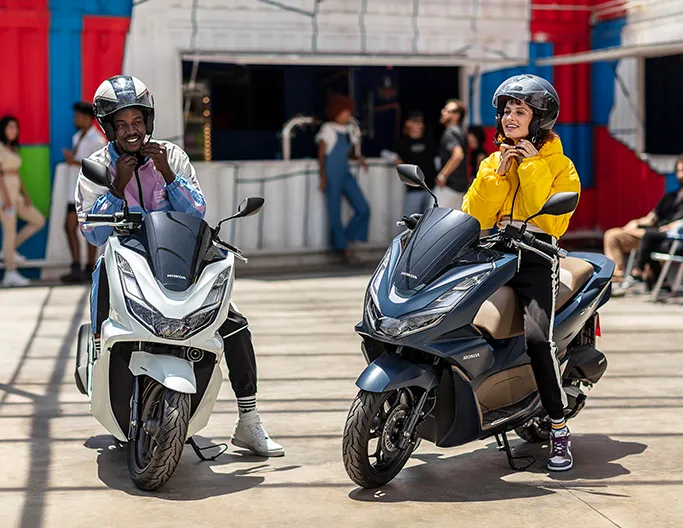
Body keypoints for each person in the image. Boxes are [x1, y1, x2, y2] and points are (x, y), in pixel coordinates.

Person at [76, 75, 284, 457]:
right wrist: (117, 188)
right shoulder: (97, 166)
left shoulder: (171, 156)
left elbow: (198, 212)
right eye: (121, 124)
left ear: (148, 122)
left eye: (137, 122)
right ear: (108, 128)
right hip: (126, 262)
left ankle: (249, 421)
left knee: (233, 323)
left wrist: (169, 177)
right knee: (102, 299)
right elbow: (91, 231)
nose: (131, 131)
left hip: (176, 259)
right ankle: (97, 365)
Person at [462, 74, 581, 471]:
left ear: (540, 119)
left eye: (520, 111)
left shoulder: (562, 167)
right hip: (494, 253)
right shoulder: (493, 161)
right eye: (506, 111)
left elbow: (552, 222)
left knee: (536, 339)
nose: (510, 118)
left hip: (535, 258)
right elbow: (473, 217)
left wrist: (529, 167)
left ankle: (559, 429)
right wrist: (498, 174)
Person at [606, 156, 683, 290]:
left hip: (669, 238)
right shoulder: (670, 196)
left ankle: (642, 274)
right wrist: (636, 223)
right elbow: (653, 217)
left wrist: (673, 226)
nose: (680, 175)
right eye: (679, 171)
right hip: (651, 233)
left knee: (649, 237)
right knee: (612, 235)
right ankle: (617, 279)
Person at [316, 94, 370, 263]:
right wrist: (323, 177)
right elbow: (322, 155)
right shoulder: (328, 129)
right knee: (335, 212)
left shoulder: (350, 129)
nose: (347, 115)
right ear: (336, 112)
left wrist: (359, 158)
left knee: (363, 208)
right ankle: (343, 249)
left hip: (345, 172)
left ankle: (344, 239)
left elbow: (351, 153)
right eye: (344, 112)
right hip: (332, 174)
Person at [61, 102, 107, 283]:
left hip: (90, 192)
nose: (75, 119)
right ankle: (77, 266)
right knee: (69, 227)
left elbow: (101, 167)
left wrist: (76, 162)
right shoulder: (77, 137)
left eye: (78, 116)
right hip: (75, 190)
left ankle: (89, 266)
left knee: (89, 228)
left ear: (88, 118)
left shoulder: (97, 140)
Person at [0, 116, 45, 287]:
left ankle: (7, 252)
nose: (13, 130)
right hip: (4, 196)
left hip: (16, 194)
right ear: (3, 128)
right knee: (9, 232)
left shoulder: (13, 148)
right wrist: (6, 200)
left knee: (37, 220)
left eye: (15, 127)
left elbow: (16, 174)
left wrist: (25, 195)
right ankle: (10, 273)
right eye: (10, 127)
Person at [394, 111, 437, 217]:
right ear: (408, 123)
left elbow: (437, 160)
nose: (420, 125)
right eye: (416, 122)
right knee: (410, 221)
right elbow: (387, 154)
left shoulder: (429, 141)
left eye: (421, 122)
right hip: (413, 188)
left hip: (431, 188)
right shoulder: (402, 143)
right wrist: (396, 160)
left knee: (430, 221)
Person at [435, 99, 468, 209]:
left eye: (448, 111)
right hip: (459, 187)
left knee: (434, 221)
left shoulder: (450, 132)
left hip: (449, 187)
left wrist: (442, 175)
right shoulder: (460, 131)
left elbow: (458, 155)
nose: (443, 112)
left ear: (457, 115)